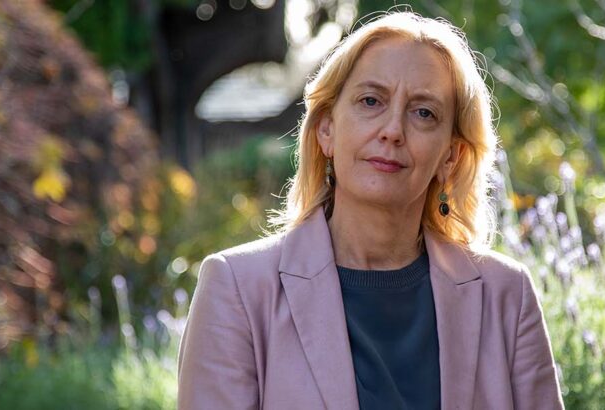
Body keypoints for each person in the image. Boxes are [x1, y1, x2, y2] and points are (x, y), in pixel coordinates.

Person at [177, 11, 564, 410]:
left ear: (451, 156)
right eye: (371, 101)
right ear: (326, 129)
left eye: (423, 112)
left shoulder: (506, 296)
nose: (392, 130)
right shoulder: (237, 289)